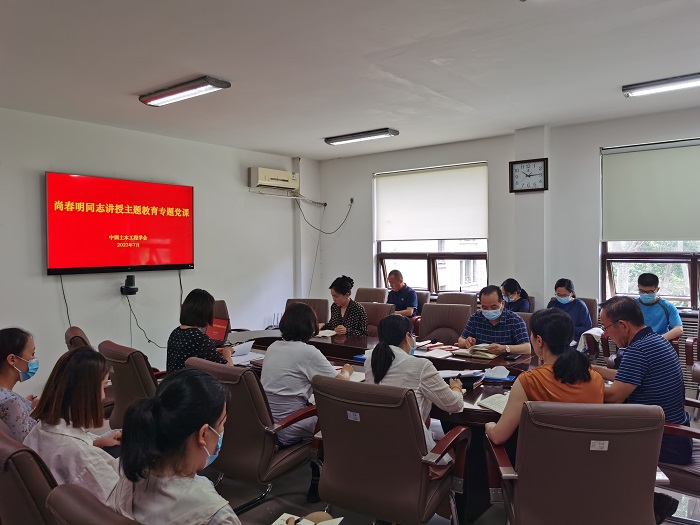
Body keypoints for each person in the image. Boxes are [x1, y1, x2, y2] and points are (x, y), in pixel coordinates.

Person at [108, 369, 240, 525]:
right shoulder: (216, 515)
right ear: (203, 434)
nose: (222, 432)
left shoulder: (130, 473)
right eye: (222, 424)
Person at [261, 302, 353, 503]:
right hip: (289, 424)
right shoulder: (308, 352)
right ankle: (319, 479)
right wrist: (347, 370)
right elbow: (338, 384)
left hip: (268, 423)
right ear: (310, 326)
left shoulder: (273, 347)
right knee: (338, 421)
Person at [592, 296, 691, 465]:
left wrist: (585, 384)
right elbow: (629, 376)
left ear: (623, 325)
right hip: (677, 436)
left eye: (605, 328)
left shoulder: (638, 350)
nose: (605, 334)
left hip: (663, 441)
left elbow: (614, 396)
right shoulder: (656, 340)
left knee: (593, 443)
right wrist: (595, 369)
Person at [485, 309, 604, 445]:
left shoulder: (529, 380)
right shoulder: (595, 378)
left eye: (531, 334)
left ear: (539, 340)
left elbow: (498, 437)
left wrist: (489, 425)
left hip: (540, 457)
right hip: (587, 456)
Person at [24, 347, 121, 502]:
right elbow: (120, 503)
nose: (104, 396)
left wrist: (95, 442)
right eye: (103, 387)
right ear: (86, 393)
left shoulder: (41, 429)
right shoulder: (81, 455)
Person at [365, 315, 464, 461]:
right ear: (407, 336)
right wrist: (456, 388)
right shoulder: (421, 366)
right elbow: (453, 405)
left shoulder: (370, 361)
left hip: (377, 449)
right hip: (414, 456)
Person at [167, 289, 232, 372]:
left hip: (173, 379)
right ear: (205, 313)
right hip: (190, 380)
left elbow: (187, 353)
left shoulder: (175, 332)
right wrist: (227, 352)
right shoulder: (200, 338)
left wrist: (212, 350)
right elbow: (229, 370)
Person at [457, 285, 531, 354]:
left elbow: (527, 349)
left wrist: (504, 348)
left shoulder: (515, 321)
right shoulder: (475, 318)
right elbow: (460, 340)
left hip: (505, 362)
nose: (489, 310)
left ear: (502, 304)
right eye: (484, 307)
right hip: (479, 360)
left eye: (494, 307)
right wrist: (467, 342)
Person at [0, 328, 39, 441]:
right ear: (12, 360)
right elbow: (29, 443)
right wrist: (39, 411)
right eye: (32, 354)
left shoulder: (7, 397)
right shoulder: (9, 401)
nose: (34, 359)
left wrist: (26, 405)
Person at [636, 273, 683, 341]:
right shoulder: (632, 305)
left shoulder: (668, 307)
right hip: (637, 342)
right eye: (642, 291)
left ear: (657, 289)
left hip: (659, 342)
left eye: (650, 292)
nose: (645, 294)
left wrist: (657, 340)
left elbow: (679, 330)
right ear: (638, 287)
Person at [546, 278, 592, 344]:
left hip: (574, 339)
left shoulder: (580, 305)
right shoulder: (552, 304)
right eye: (558, 294)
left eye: (564, 295)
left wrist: (569, 330)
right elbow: (547, 323)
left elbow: (587, 327)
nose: (561, 297)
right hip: (555, 339)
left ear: (571, 293)